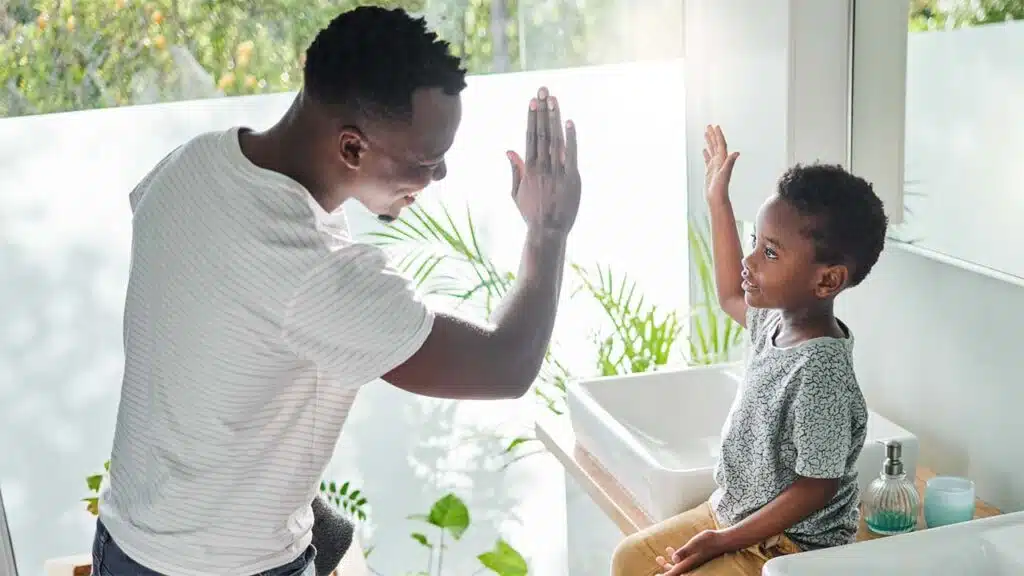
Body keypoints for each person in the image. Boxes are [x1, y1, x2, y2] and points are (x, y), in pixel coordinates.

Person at [90, 6, 581, 576]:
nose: (440, 176)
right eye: (429, 160)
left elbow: (210, 345)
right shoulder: (311, 269)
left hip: (126, 541)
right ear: (352, 149)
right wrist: (547, 229)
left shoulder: (192, 162)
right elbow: (506, 365)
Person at [610, 125, 888, 576]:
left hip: (790, 547)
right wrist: (718, 202)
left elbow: (816, 487)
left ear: (827, 280)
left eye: (771, 253)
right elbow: (728, 295)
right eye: (755, 241)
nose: (751, 260)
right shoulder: (775, 320)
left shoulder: (821, 370)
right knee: (629, 560)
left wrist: (723, 542)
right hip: (732, 513)